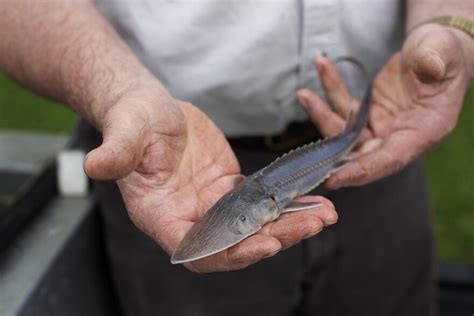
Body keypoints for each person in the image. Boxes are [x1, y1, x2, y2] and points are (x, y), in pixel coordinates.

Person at [1, 0, 473, 315]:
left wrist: (449, 22)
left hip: (381, 148)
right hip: (170, 163)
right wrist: (120, 91)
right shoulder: (200, 193)